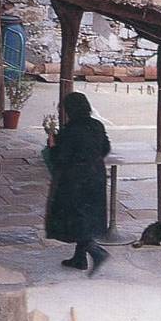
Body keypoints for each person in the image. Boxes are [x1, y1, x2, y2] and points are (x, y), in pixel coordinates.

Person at [45, 91, 111, 276]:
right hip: (96, 175)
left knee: (74, 217)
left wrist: (52, 145)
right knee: (86, 216)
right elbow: (105, 148)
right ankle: (79, 258)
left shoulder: (70, 130)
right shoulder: (97, 125)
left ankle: (96, 252)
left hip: (74, 180)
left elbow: (60, 158)